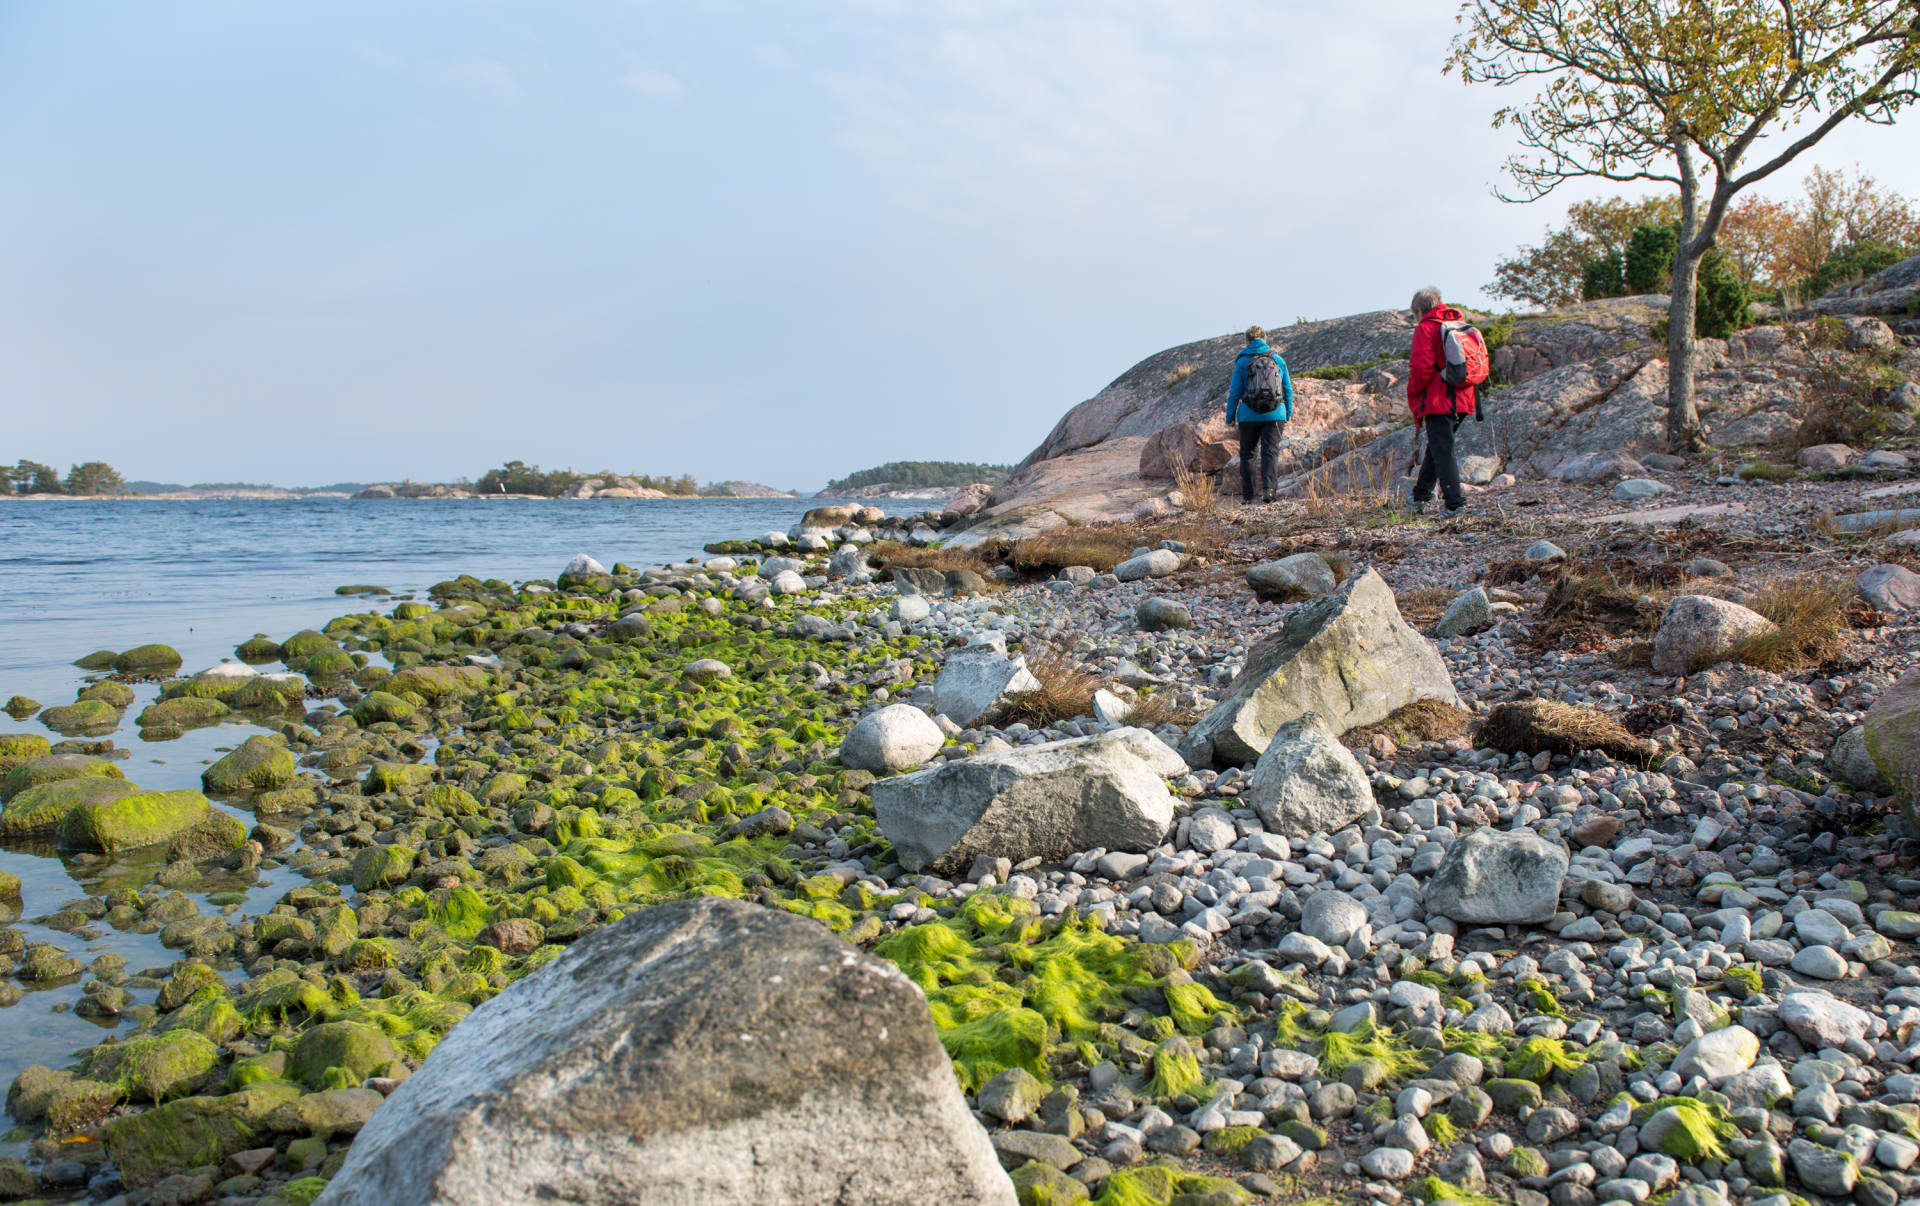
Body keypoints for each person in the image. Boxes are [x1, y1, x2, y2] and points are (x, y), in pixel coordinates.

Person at [1405, 286, 1476, 517]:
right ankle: (1421, 495)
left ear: (1418, 310)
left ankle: (1455, 504)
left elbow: (1421, 368)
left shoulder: (1426, 328)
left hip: (1439, 400)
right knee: (1437, 446)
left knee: (1442, 449)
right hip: (1463, 397)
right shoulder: (1456, 324)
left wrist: (1414, 393)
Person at [1225, 324, 1293, 504]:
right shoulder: (1277, 359)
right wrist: (1288, 411)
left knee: (1248, 454)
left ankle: (1248, 497)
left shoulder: (1242, 362)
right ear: (1265, 338)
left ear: (1247, 341)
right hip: (1275, 413)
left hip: (1248, 414)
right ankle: (1269, 491)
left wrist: (1230, 416)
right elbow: (1287, 389)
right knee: (1270, 452)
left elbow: (1234, 392)